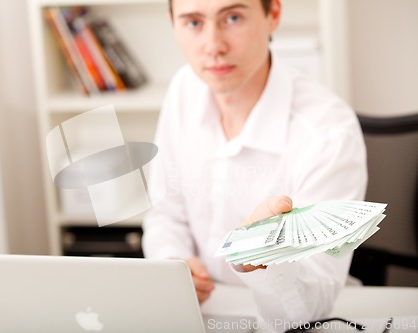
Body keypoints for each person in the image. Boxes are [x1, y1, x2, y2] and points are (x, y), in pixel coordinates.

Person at [142, 0, 367, 328]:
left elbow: (310, 306)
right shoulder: (184, 89)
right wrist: (174, 265)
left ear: (272, 15)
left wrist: (258, 257)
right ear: (172, 23)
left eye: (232, 18)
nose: (213, 46)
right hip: (199, 312)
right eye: (193, 23)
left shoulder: (329, 133)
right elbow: (165, 214)